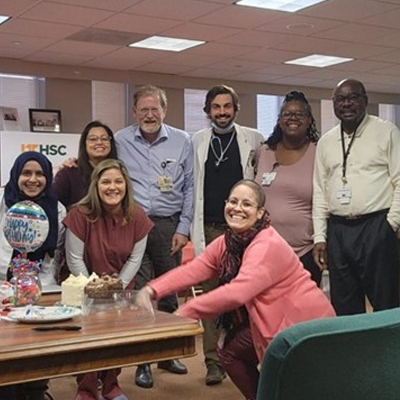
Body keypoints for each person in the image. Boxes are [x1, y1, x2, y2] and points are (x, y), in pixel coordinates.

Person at [140, 179, 335, 400]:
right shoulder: (230, 241)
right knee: (230, 351)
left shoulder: (266, 243)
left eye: (247, 204)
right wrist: (151, 290)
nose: (237, 208)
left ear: (260, 213)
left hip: (302, 326)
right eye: (233, 201)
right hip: (272, 322)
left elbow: (237, 292)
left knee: (300, 387)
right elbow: (196, 269)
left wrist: (184, 313)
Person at [0, 151, 66, 400]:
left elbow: (52, 262)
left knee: (36, 353)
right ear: (16, 174)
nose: (33, 179)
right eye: (26, 173)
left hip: (34, 293)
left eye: (39, 174)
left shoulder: (56, 210)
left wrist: (38, 295)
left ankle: (34, 391)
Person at [115, 85, 194, 388]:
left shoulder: (182, 140)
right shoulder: (120, 140)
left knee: (168, 290)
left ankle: (168, 352)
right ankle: (143, 362)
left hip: (167, 226)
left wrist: (183, 228)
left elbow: (189, 187)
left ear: (164, 111)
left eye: (155, 109)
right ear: (134, 112)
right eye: (143, 109)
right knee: (140, 292)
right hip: (131, 224)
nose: (149, 115)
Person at [312, 79, 400, 315]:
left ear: (365, 101)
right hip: (338, 229)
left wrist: (391, 223)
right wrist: (320, 236)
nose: (346, 104)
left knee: (384, 302)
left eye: (352, 98)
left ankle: (386, 351)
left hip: (376, 226)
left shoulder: (386, 132)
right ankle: (352, 351)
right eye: (340, 99)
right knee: (344, 303)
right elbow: (319, 189)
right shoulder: (326, 142)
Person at [191, 84, 263, 385]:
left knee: (248, 296)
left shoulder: (254, 139)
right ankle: (213, 361)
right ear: (208, 110)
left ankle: (247, 353)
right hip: (208, 229)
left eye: (227, 106)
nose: (221, 112)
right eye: (216, 107)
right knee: (211, 298)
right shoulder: (196, 140)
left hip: (243, 231)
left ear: (236, 109)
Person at [64, 159, 153, 400]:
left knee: (116, 340)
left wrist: (115, 289)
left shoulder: (138, 216)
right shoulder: (79, 214)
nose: (112, 187)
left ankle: (112, 386)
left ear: (126, 185)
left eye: (118, 181)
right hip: (84, 288)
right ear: (96, 185)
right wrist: (93, 290)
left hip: (120, 287)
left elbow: (135, 259)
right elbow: (74, 260)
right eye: (105, 182)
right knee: (88, 341)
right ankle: (87, 390)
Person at [255, 90, 321, 285]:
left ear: (309, 120)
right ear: (279, 119)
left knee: (304, 310)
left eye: (299, 114)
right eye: (287, 114)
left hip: (306, 251)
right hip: (266, 248)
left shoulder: (319, 153)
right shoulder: (264, 152)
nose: (293, 118)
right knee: (268, 309)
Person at [53, 120, 118, 209]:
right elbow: (54, 204)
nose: (99, 142)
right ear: (84, 143)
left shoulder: (118, 172)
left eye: (104, 139)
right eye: (93, 139)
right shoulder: (68, 173)